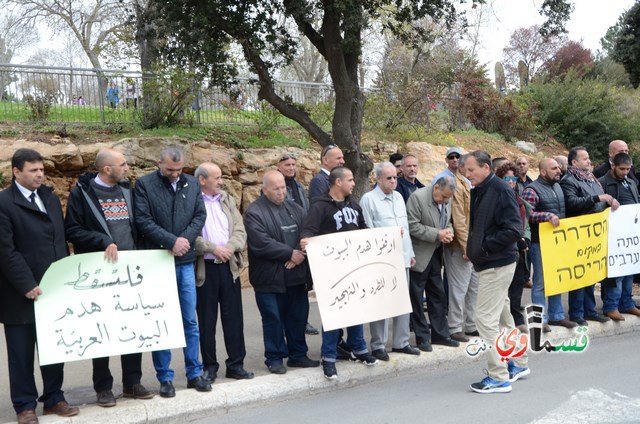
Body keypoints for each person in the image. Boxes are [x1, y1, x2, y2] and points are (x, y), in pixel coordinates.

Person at [65, 148, 154, 407]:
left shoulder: (128, 191)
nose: (127, 168)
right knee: (100, 329)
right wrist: (103, 240)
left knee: (132, 326)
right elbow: (72, 230)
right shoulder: (81, 194)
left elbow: (139, 227)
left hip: (130, 272)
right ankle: (103, 387)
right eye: (123, 164)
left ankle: (132, 383)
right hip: (99, 273)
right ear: (107, 169)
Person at [0, 148, 79, 424]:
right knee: (21, 354)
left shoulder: (49, 197)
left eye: (42, 170)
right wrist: (27, 284)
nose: (40, 175)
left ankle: (54, 398)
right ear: (16, 172)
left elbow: (59, 241)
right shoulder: (3, 203)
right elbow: (5, 251)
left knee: (54, 347)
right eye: (33, 170)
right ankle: (24, 406)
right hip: (20, 293)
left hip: (53, 290)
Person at [134, 145, 211, 397]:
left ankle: (194, 373)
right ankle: (165, 378)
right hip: (159, 263)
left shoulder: (191, 183)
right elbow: (143, 221)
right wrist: (171, 242)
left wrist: (183, 241)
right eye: (170, 169)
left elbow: (200, 216)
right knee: (162, 321)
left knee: (190, 320)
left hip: (185, 261)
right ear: (159, 163)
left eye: (179, 169)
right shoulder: (144, 185)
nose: (175, 174)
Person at [301, 166, 378, 380]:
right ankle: (329, 357)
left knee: (357, 309)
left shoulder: (354, 205)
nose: (354, 183)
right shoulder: (320, 207)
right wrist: (306, 240)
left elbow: (364, 231)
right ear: (338, 182)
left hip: (354, 269)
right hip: (330, 272)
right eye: (350, 179)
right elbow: (308, 230)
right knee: (334, 314)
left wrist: (386, 237)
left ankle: (358, 348)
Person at [464, 150, 528, 394]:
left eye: (471, 170)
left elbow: (513, 229)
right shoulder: (479, 189)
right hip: (490, 263)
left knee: (485, 321)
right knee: (502, 318)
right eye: (465, 170)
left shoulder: (500, 190)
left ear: (486, 167)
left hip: (497, 264)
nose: (467, 174)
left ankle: (499, 376)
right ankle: (518, 364)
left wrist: (483, 246)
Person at [245, 170, 320, 374]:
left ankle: (298, 355)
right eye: (276, 188)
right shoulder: (254, 212)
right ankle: (274, 357)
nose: (281, 192)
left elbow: (307, 231)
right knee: (273, 319)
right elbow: (261, 242)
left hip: (296, 275)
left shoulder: (295, 208)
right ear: (264, 190)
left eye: (283, 188)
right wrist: (289, 253)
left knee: (298, 317)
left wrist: (299, 254)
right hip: (269, 278)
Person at [193, 163, 254, 383]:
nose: (221, 181)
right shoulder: (191, 201)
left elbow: (240, 229)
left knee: (234, 319)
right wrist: (213, 249)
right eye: (217, 178)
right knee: (207, 322)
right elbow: (189, 234)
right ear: (202, 180)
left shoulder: (226, 199)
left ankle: (236, 365)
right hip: (205, 269)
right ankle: (210, 366)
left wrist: (230, 247)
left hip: (229, 268)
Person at [360, 162, 420, 361]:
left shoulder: (399, 197)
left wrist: (409, 252)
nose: (394, 181)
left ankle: (401, 342)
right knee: (382, 303)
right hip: (382, 260)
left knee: (402, 301)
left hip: (401, 257)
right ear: (378, 179)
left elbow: (405, 228)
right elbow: (366, 231)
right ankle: (378, 345)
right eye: (389, 178)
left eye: (395, 177)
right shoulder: (368, 200)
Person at [559, 146, 617, 326]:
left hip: (594, 233)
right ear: (574, 162)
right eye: (585, 158)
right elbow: (572, 203)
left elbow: (600, 201)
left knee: (591, 273)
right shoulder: (568, 180)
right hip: (579, 234)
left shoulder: (591, 179)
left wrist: (610, 203)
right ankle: (576, 313)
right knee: (579, 275)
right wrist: (597, 199)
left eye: (589, 157)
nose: (589, 161)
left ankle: (590, 311)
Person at [522, 158, 577, 331]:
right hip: (540, 243)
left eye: (559, 168)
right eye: (554, 168)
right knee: (540, 283)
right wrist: (546, 216)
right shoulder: (532, 190)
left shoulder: (558, 186)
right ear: (543, 172)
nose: (559, 170)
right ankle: (540, 319)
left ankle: (556, 316)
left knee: (557, 280)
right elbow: (526, 215)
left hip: (557, 243)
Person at [406, 176, 460, 351]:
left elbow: (449, 222)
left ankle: (440, 334)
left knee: (438, 295)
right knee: (416, 296)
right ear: (436, 187)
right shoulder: (418, 197)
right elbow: (412, 225)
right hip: (420, 253)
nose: (445, 201)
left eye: (448, 198)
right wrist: (437, 233)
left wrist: (449, 232)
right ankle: (422, 337)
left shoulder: (447, 198)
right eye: (443, 197)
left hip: (437, 253)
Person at [276, 153, 318, 336]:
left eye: (293, 164)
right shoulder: (276, 187)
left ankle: (302, 321)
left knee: (303, 288)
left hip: (302, 241)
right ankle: (287, 324)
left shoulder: (299, 186)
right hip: (287, 245)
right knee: (287, 291)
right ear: (279, 166)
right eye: (287, 165)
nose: (291, 168)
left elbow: (305, 212)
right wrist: (292, 251)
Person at [598, 153, 640, 320]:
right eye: (622, 169)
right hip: (613, 234)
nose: (625, 172)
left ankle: (627, 303)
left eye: (628, 169)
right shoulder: (602, 182)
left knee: (629, 269)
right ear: (613, 166)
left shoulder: (631, 182)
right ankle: (611, 305)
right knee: (615, 272)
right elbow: (599, 208)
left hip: (630, 234)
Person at [444, 154, 478, 342]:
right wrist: (466, 247)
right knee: (459, 288)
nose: (472, 172)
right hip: (460, 245)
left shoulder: (468, 183)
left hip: (473, 244)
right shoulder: (455, 184)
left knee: (474, 287)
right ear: (463, 168)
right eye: (470, 169)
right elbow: (459, 219)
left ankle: (472, 324)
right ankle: (455, 326)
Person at [494, 162, 532, 333]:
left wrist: (526, 239)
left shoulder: (519, 198)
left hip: (522, 249)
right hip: (506, 248)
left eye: (513, 178)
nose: (511, 181)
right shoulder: (497, 197)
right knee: (503, 289)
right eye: (507, 178)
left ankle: (516, 319)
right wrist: (518, 240)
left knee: (517, 285)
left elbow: (527, 223)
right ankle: (502, 322)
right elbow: (502, 225)